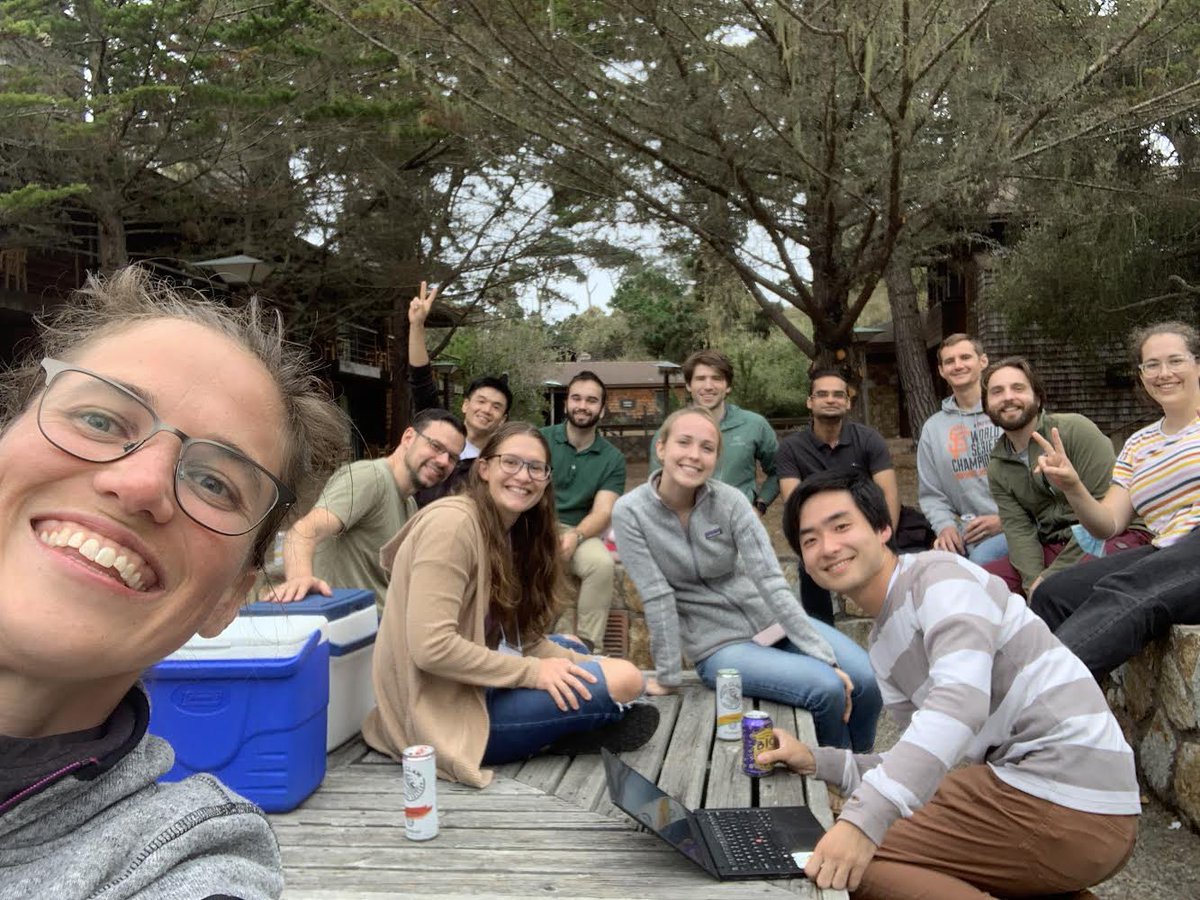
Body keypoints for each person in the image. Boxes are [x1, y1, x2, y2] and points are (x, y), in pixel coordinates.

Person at [0, 267, 349, 899]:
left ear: (231, 597)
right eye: (101, 420)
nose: (141, 484)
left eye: (216, 482)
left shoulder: (183, 865)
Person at [763, 469, 1139, 898]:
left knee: (843, 860)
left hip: (1066, 795)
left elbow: (959, 704)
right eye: (809, 540)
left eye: (842, 526)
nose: (828, 547)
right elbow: (921, 759)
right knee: (866, 838)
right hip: (1049, 802)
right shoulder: (884, 642)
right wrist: (815, 760)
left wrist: (862, 824)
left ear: (883, 528)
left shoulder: (939, 577)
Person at [362, 423, 658, 786]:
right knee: (625, 681)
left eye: (536, 468)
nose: (524, 476)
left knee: (579, 651)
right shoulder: (453, 526)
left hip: (470, 684)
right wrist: (536, 673)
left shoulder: (512, 532)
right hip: (435, 713)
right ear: (483, 468)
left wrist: (589, 663)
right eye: (512, 463)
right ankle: (586, 721)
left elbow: (528, 642)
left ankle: (578, 721)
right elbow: (430, 648)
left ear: (547, 480)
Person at [613, 408, 880, 751]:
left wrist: (823, 656)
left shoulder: (731, 502)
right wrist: (666, 676)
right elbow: (657, 596)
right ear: (661, 448)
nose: (695, 455)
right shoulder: (630, 512)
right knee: (826, 688)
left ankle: (858, 772)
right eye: (684, 442)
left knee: (866, 681)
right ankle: (834, 779)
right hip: (720, 646)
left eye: (707, 448)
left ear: (716, 458)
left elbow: (770, 580)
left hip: (773, 625)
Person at [1031, 322, 1200, 680]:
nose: (1163, 373)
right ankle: (1074, 722)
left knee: (1131, 588)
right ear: (1141, 375)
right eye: (1151, 365)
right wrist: (1073, 486)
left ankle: (1035, 699)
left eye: (1175, 361)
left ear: (1197, 365)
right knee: (1054, 594)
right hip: (1169, 551)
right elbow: (1108, 523)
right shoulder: (1138, 444)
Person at [981, 357, 1149, 596]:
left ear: (1038, 398)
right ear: (986, 406)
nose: (1008, 397)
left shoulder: (1074, 431)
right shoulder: (998, 467)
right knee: (978, 583)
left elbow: (1106, 507)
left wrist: (1050, 577)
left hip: (1116, 537)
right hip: (1055, 545)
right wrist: (1032, 583)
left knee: (1061, 589)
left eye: (1018, 388)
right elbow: (1019, 532)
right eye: (997, 392)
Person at [268, 408, 466, 607]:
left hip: (381, 627)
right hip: (344, 623)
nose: (443, 461)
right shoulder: (370, 478)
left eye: (452, 458)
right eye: (436, 446)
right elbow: (304, 531)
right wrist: (300, 580)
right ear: (408, 437)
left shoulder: (409, 504)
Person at [776, 370, 904, 625]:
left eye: (838, 395)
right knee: (807, 565)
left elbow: (889, 493)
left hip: (865, 528)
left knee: (894, 559)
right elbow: (794, 505)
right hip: (821, 531)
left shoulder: (868, 439)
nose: (831, 399)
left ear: (847, 402)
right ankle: (822, 638)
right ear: (810, 402)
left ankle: (899, 621)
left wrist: (882, 536)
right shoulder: (791, 448)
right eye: (822, 394)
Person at [540, 371, 625, 652]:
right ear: (566, 404)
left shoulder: (612, 458)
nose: (582, 406)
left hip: (580, 530)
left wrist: (575, 537)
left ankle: (590, 648)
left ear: (602, 408)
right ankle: (542, 644)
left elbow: (603, 512)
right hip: (537, 524)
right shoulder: (541, 440)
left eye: (591, 400)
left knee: (600, 564)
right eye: (576, 398)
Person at [408, 281, 512, 504]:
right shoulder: (439, 432)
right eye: (481, 401)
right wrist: (416, 326)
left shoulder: (496, 465)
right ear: (465, 405)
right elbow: (421, 380)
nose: (486, 410)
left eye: (496, 407)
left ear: (503, 420)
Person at [650, 349, 779, 513]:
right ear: (689, 385)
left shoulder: (755, 425)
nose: (708, 386)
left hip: (737, 525)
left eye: (716, 378)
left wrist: (760, 505)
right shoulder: (669, 431)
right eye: (700, 379)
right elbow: (655, 487)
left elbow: (779, 470)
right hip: (685, 527)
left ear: (728, 386)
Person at [917, 335, 1006, 564]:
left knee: (979, 563)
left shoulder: (1006, 413)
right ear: (941, 371)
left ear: (983, 361)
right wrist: (945, 528)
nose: (958, 365)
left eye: (965, 357)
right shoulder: (933, 429)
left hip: (1013, 528)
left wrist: (1004, 520)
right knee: (932, 570)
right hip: (965, 533)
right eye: (950, 361)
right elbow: (932, 494)